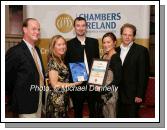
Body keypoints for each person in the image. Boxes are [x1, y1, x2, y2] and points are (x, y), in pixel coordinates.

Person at [5, 18, 45, 118]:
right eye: (34, 29)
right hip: (24, 103)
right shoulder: (15, 51)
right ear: (25, 29)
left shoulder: (37, 50)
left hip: (38, 99)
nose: (37, 32)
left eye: (39, 29)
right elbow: (7, 79)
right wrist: (16, 97)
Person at [65, 17, 100, 118]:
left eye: (83, 25)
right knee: (78, 113)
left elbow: (97, 62)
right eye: (78, 26)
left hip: (93, 83)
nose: (81, 28)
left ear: (86, 27)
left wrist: (98, 82)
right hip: (77, 85)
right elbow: (67, 64)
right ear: (74, 28)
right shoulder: (69, 44)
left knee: (94, 113)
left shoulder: (94, 42)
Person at [116, 23, 149, 118]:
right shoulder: (115, 50)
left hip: (133, 96)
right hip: (117, 95)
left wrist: (140, 94)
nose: (127, 37)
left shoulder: (141, 51)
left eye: (130, 35)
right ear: (121, 35)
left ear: (134, 36)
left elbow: (143, 74)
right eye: (125, 34)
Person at [46, 35, 82, 118]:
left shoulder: (60, 59)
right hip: (56, 101)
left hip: (63, 98)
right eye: (59, 45)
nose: (62, 47)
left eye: (64, 44)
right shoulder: (53, 62)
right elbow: (55, 85)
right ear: (53, 46)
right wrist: (74, 84)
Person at [95, 32, 122, 118]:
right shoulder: (104, 56)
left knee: (111, 117)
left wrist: (103, 89)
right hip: (102, 93)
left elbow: (117, 80)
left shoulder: (116, 58)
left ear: (114, 43)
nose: (106, 45)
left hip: (110, 94)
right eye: (104, 42)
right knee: (104, 115)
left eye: (108, 42)